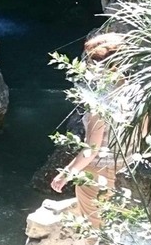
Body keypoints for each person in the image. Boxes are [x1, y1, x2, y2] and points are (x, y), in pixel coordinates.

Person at [50, 32, 127, 230]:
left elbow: (91, 149)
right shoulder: (138, 91)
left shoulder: (101, 102)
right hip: (126, 168)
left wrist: (64, 174)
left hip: (98, 173)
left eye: (90, 62)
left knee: (94, 228)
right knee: (116, 225)